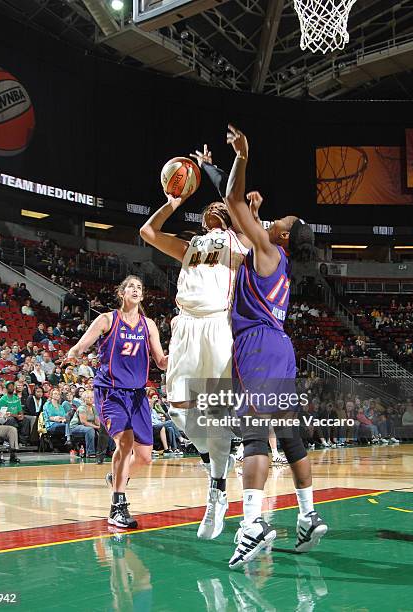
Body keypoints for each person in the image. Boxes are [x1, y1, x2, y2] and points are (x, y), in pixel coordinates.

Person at [225, 125, 327, 568]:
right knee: (289, 434)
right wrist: (252, 212)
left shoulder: (269, 249)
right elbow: (243, 225)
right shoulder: (276, 259)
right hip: (282, 348)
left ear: (284, 236)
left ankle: (251, 524)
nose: (278, 219)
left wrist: (242, 159)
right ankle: (307, 515)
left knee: (252, 433)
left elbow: (230, 203)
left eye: (283, 222)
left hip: (258, 346)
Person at [139, 144, 251, 539]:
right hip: (186, 326)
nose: (214, 212)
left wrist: (216, 172)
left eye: (220, 211)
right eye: (209, 211)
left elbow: (234, 201)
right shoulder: (190, 247)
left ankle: (217, 492)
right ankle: (209, 458)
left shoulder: (239, 244)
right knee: (179, 409)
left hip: (218, 326)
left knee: (216, 412)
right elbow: (148, 232)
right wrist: (172, 201)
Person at [67, 275, 167, 528]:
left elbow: (161, 361)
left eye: (139, 288)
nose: (135, 290)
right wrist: (72, 355)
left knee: (144, 457)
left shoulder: (149, 325)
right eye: (131, 287)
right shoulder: (107, 319)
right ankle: (117, 506)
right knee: (124, 442)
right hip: (110, 391)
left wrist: (181, 354)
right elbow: (80, 347)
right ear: (121, 293)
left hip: (137, 394)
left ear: (142, 296)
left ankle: (116, 478)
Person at [69, 390, 100, 457]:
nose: (91, 399)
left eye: (92, 397)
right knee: (90, 430)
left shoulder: (94, 408)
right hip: (76, 427)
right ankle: (90, 452)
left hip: (89, 426)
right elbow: (84, 422)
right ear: (84, 399)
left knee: (106, 429)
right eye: (88, 397)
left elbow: (97, 421)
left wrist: (102, 427)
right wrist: (96, 427)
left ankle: (110, 450)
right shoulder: (82, 408)